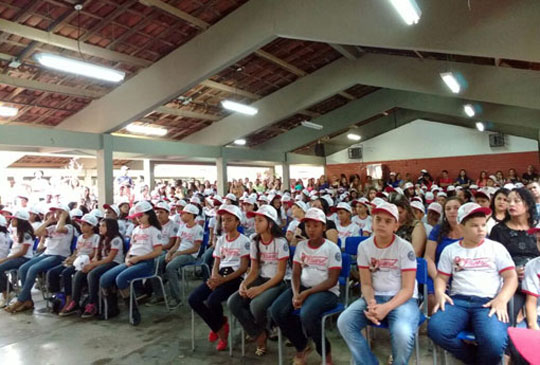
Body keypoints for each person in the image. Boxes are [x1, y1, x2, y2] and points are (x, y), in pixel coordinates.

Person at [428, 202, 518, 365]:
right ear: (462, 227)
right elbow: (441, 278)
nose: (481, 229)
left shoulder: (495, 248)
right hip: (458, 302)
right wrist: (440, 293)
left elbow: (511, 277)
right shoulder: (451, 250)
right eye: (474, 225)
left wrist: (502, 299)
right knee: (436, 329)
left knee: (495, 341)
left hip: (488, 303)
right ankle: (475, 359)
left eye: (483, 225)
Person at [338, 202, 419, 365]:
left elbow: (408, 289)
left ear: (396, 226)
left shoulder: (405, 248)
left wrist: (386, 308)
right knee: (345, 321)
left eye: (388, 221)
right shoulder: (364, 247)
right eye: (378, 219)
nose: (381, 224)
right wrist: (371, 303)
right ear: (372, 222)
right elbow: (366, 284)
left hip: (402, 300)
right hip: (375, 297)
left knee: (402, 333)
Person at [270, 207, 341, 365]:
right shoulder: (301, 247)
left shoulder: (331, 248)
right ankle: (301, 345)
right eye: (308, 226)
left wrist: (307, 293)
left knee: (307, 314)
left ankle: (325, 352)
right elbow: (295, 274)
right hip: (302, 288)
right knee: (276, 311)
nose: (311, 229)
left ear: (323, 227)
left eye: (316, 226)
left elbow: (332, 280)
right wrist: (296, 293)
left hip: (327, 292)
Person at [228, 205, 288, 357]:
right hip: (261, 278)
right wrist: (244, 284)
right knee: (233, 302)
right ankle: (258, 333)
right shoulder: (255, 241)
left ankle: (264, 331)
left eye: (260, 220)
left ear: (271, 223)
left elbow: (280, 274)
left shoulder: (280, 242)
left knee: (256, 304)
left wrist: (260, 289)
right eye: (255, 220)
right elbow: (254, 270)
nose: (256, 224)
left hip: (279, 282)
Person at [188, 204, 249, 351]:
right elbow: (216, 261)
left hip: (235, 278)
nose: (225, 224)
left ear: (237, 222)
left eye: (229, 220)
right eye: (223, 220)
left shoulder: (244, 241)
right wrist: (214, 276)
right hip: (220, 275)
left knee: (212, 301)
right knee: (193, 299)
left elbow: (243, 268)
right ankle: (219, 325)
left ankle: (221, 333)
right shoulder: (221, 240)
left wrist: (223, 280)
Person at [99, 201, 163, 325]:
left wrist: (139, 258)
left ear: (148, 215)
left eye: (141, 216)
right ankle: (112, 308)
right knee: (104, 279)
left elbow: (158, 252)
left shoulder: (154, 231)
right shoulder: (136, 230)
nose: (138, 219)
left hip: (145, 263)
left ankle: (133, 310)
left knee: (121, 279)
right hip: (132, 260)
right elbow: (131, 248)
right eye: (137, 217)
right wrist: (128, 258)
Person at [6, 204, 74, 313]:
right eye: (56, 212)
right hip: (47, 254)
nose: (56, 214)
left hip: (59, 256)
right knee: (23, 268)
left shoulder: (69, 227)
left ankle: (21, 299)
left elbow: (60, 228)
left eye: (59, 212)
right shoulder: (52, 227)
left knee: (33, 269)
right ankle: (28, 300)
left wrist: (63, 217)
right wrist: (47, 221)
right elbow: (36, 233)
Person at [489, 188, 539, 320]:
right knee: (508, 316)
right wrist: (511, 272)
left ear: (528, 204)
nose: (510, 204)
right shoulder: (498, 230)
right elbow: (492, 261)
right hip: (511, 282)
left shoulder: (537, 229)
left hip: (537, 279)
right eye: (508, 201)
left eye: (516, 201)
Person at [153, 203, 202, 308]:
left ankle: (177, 298)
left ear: (192, 215)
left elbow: (196, 248)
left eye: (184, 214)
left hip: (190, 254)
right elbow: (176, 244)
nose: (181, 216)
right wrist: (170, 253)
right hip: (178, 252)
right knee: (157, 263)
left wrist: (178, 253)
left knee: (170, 267)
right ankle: (160, 295)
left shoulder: (198, 229)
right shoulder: (182, 227)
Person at [56, 214, 100, 316]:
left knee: (74, 274)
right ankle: (68, 297)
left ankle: (75, 300)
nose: (82, 227)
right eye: (81, 224)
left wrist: (82, 258)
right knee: (63, 272)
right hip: (77, 260)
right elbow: (77, 251)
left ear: (92, 226)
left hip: (86, 261)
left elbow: (94, 252)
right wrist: (72, 258)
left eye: (85, 225)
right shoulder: (80, 237)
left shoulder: (95, 237)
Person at [424, 197, 462, 312]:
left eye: (456, 208)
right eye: (448, 209)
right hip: (438, 272)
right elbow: (428, 257)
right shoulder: (438, 230)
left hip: (462, 275)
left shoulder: (471, 229)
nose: (452, 211)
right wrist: (438, 278)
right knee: (433, 300)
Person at [0, 211, 34, 307]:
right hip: (15, 256)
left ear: (20, 221)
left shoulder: (26, 234)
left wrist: (6, 259)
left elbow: (22, 252)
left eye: (14, 219)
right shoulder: (17, 231)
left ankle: (8, 292)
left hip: (23, 258)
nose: (12, 220)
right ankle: (7, 292)